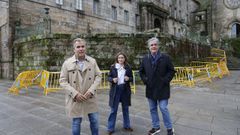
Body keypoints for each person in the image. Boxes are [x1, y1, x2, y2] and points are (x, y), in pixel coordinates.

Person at [59, 38, 102, 135]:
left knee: (95, 121)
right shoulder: (67, 63)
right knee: (76, 123)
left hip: (90, 97)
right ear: (74, 49)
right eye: (78, 47)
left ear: (85, 48)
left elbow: (98, 76)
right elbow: (62, 81)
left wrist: (91, 91)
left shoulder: (92, 61)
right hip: (76, 99)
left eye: (83, 46)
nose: (81, 49)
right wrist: (74, 94)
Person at [139, 37, 176, 135]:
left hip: (162, 88)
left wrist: (165, 80)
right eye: (151, 45)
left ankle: (169, 128)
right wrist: (145, 80)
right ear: (149, 47)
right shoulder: (145, 58)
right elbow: (141, 72)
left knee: (163, 108)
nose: (153, 46)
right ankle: (156, 127)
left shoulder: (165, 57)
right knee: (152, 109)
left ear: (158, 46)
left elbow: (171, 71)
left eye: (155, 44)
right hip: (150, 88)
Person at [107, 52, 134, 135]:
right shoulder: (113, 67)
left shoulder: (128, 67)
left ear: (124, 59)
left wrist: (128, 78)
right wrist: (112, 80)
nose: (121, 59)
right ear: (117, 59)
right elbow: (109, 77)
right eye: (119, 58)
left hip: (125, 90)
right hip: (116, 90)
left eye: (122, 58)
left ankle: (127, 126)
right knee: (113, 110)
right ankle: (110, 128)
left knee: (125, 109)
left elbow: (131, 78)